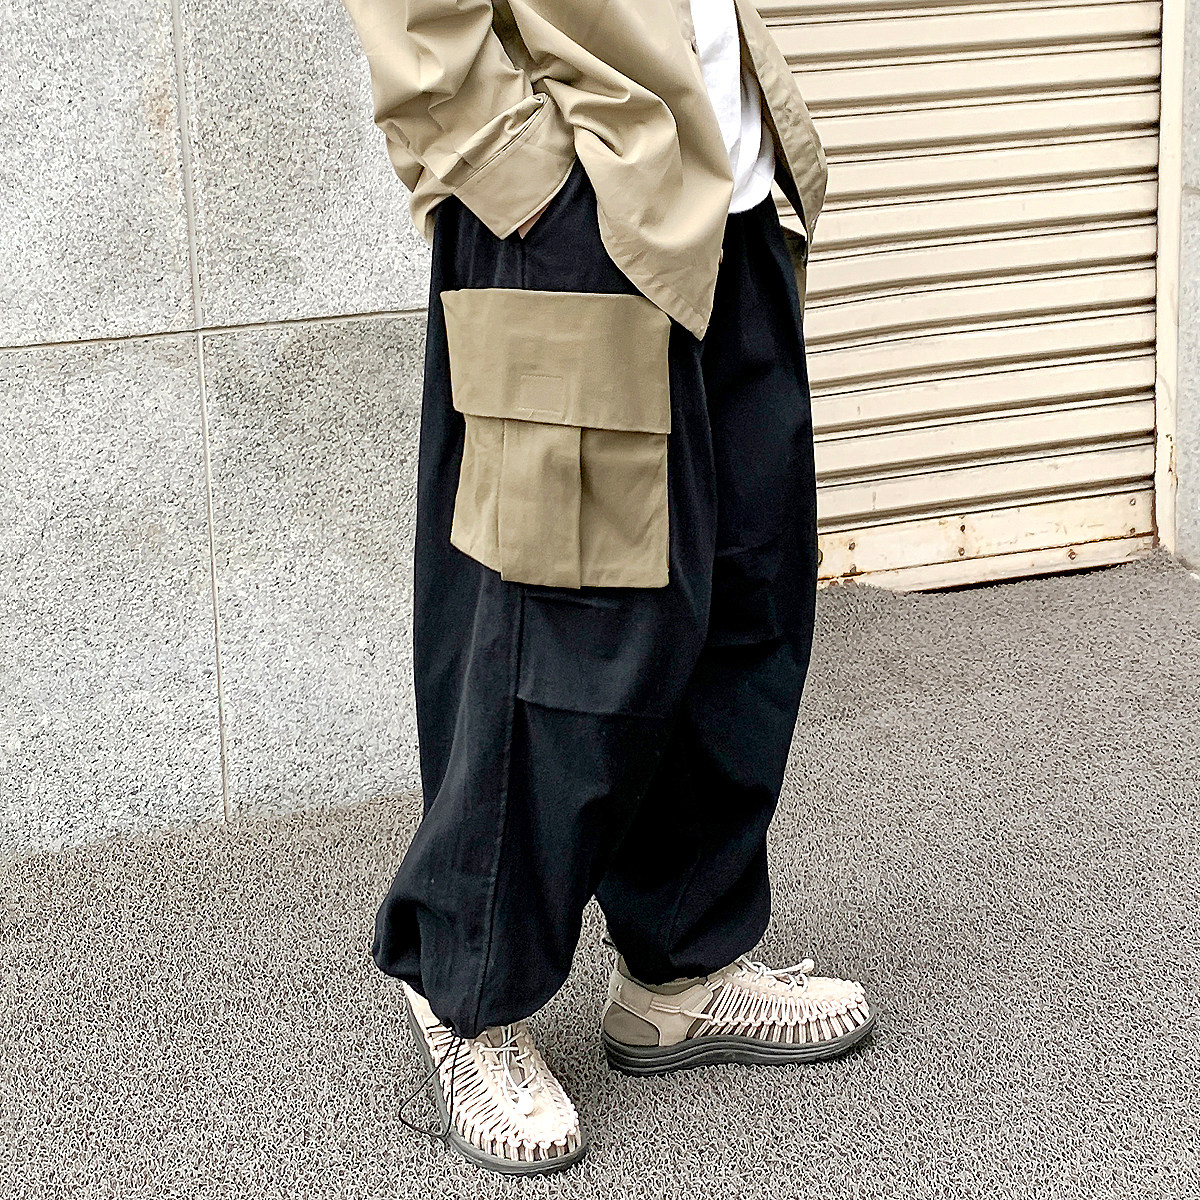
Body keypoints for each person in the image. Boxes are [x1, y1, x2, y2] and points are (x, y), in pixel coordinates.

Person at [340, 0, 877, 1175]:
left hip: (728, 200)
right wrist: (520, 176)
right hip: (577, 212)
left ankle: (682, 964)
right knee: (560, 626)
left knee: (744, 598)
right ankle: (465, 989)